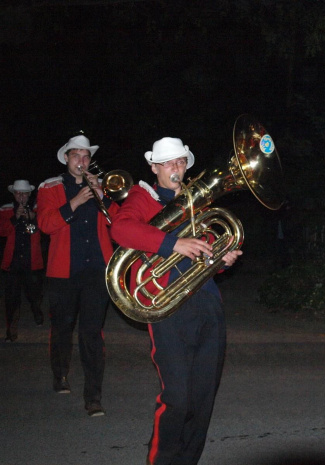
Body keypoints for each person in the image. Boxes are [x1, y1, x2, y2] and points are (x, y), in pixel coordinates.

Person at [110, 137, 242, 465]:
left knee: (202, 401)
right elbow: (121, 231)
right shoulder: (143, 197)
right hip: (167, 306)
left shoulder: (196, 200)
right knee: (177, 399)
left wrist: (222, 258)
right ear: (153, 167)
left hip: (207, 303)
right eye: (168, 163)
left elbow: (208, 245)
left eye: (181, 161)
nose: (176, 168)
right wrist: (173, 243)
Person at [37, 134, 118, 417]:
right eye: (76, 156)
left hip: (97, 270)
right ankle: (60, 374)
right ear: (66, 158)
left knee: (92, 334)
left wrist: (102, 195)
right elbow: (45, 225)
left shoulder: (99, 187)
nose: (82, 162)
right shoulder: (50, 188)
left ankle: (93, 397)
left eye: (86, 157)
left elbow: (117, 222)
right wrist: (75, 202)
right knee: (62, 329)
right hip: (63, 273)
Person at [0, 180, 45, 342]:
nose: (21, 196)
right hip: (12, 262)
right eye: (18, 193)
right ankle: (11, 331)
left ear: (29, 195)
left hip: (32, 261)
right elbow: (2, 231)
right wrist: (15, 217)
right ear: (13, 194)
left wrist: (33, 217)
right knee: (11, 298)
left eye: (24, 193)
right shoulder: (5, 209)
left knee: (34, 293)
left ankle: (36, 310)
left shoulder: (38, 208)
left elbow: (46, 227)